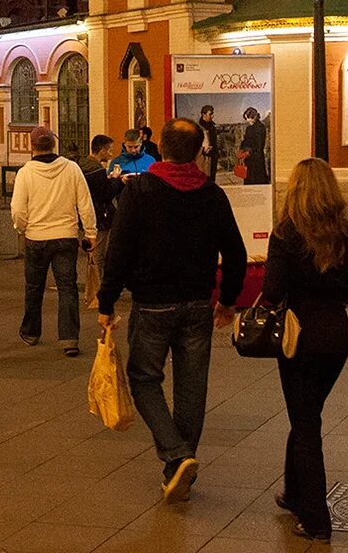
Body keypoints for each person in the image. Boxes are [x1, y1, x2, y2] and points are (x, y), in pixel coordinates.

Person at [96, 118, 246, 504]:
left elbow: (119, 250)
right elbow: (235, 253)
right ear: (198, 152)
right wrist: (227, 301)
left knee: (144, 379)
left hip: (152, 304)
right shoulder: (211, 194)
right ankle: (177, 469)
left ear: (159, 148)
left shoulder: (142, 190)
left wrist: (107, 302)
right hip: (198, 304)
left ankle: (176, 455)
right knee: (192, 387)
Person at [264, 159, 348, 542]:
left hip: (299, 338)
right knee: (307, 413)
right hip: (337, 336)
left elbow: (272, 292)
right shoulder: (347, 235)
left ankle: (316, 518)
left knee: (306, 426)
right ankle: (292, 491)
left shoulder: (287, 233)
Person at [10, 128, 97, 355]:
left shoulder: (25, 173)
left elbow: (18, 209)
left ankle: (31, 332)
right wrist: (90, 232)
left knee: (33, 287)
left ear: (32, 146)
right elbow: (85, 203)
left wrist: (22, 228)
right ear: (54, 145)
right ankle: (69, 339)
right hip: (65, 237)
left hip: (36, 238)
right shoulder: (72, 168)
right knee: (67, 288)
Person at [83, 135, 121, 281]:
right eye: (110, 150)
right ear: (103, 150)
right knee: (97, 255)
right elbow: (106, 194)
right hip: (100, 217)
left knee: (94, 254)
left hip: (89, 215)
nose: (111, 153)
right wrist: (116, 178)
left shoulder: (84, 166)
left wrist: (109, 179)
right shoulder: (96, 170)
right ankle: (96, 290)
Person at [239, 108, 270, 186]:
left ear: (253, 116)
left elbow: (259, 145)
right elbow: (245, 141)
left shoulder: (260, 127)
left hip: (256, 159)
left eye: (248, 118)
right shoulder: (249, 128)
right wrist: (241, 150)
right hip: (249, 158)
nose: (247, 120)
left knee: (256, 180)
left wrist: (248, 152)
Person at [197, 107, 221, 180]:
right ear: (203, 114)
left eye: (212, 114)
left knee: (212, 179)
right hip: (204, 157)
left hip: (213, 156)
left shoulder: (212, 126)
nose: (212, 116)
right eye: (210, 114)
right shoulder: (199, 127)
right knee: (205, 179)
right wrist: (203, 150)